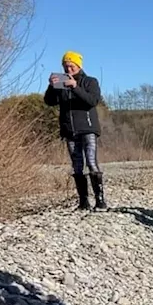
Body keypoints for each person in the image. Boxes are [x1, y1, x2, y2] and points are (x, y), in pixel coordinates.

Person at [43, 51, 106, 211]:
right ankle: (83, 201)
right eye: (65, 66)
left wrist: (76, 87)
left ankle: (100, 200)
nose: (68, 69)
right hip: (69, 130)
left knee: (92, 163)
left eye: (71, 66)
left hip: (88, 128)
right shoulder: (61, 83)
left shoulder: (90, 81)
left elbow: (92, 101)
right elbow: (49, 101)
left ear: (78, 65)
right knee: (77, 166)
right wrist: (51, 86)